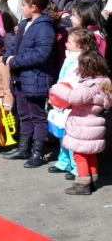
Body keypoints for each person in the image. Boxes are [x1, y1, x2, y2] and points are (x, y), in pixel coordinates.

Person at [3, 0, 58, 168]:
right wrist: (8, 57)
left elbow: (42, 54)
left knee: (37, 116)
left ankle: (38, 152)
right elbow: (14, 47)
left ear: (33, 7)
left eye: (23, 5)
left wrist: (15, 61)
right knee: (24, 114)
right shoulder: (25, 23)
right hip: (20, 78)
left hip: (35, 78)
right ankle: (23, 147)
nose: (21, 9)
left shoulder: (44, 27)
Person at [49, 50, 112, 195]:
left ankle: (82, 184)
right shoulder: (105, 81)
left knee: (80, 154)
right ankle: (92, 180)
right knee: (91, 154)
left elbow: (74, 98)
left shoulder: (89, 85)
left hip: (82, 124)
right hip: (95, 121)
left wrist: (57, 88)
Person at [47, 29, 98, 181]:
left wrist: (67, 97)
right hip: (62, 98)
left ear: (81, 47)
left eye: (69, 42)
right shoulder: (70, 57)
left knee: (73, 138)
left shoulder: (82, 61)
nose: (66, 44)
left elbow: (76, 82)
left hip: (72, 102)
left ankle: (77, 168)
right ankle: (64, 162)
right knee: (62, 134)